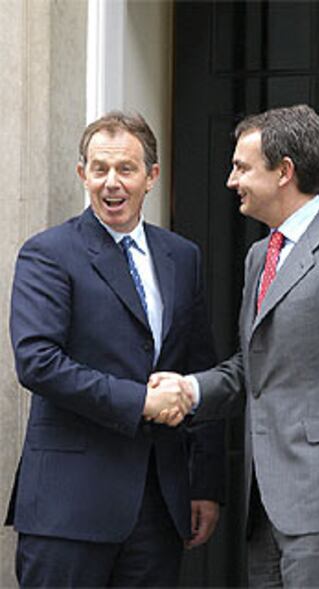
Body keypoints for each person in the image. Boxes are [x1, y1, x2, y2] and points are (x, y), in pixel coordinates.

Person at [150, 105, 319, 587]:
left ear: (284, 171)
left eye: (242, 167)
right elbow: (253, 369)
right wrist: (190, 388)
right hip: (264, 506)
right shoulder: (258, 256)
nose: (232, 181)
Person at [6, 111, 225, 588]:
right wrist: (140, 401)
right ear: (82, 173)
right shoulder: (48, 253)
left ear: (152, 176)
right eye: (99, 169)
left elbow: (199, 365)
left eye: (126, 169)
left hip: (158, 508)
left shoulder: (182, 257)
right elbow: (37, 362)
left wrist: (204, 484)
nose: (112, 183)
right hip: (69, 511)